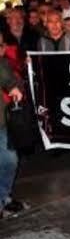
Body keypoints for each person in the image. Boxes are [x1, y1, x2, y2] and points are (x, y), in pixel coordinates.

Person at [0, 33, 23, 219]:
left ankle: (3, 197)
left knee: (9, 160)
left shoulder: (2, 62)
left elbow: (8, 77)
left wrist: (13, 86)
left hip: (1, 123)